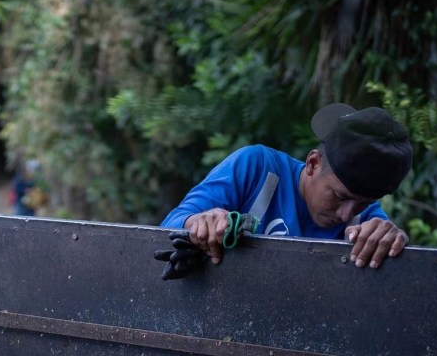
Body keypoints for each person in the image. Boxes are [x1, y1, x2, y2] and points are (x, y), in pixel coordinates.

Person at [160, 104, 413, 270]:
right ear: (313, 164)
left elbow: (389, 254)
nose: (346, 214)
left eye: (362, 204)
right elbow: (168, 226)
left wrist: (392, 240)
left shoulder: (366, 219)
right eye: (339, 196)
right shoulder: (257, 167)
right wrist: (199, 223)